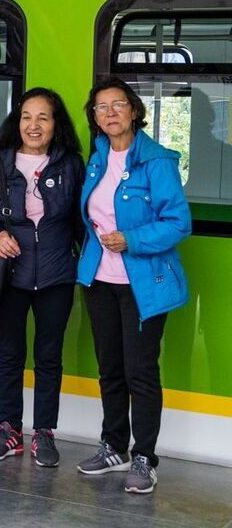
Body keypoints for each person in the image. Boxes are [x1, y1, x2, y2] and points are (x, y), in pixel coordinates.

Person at [74, 77, 190, 494]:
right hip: (99, 280)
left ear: (134, 110)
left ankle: (144, 457)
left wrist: (131, 239)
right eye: (101, 107)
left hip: (143, 284)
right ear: (95, 117)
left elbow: (179, 222)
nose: (110, 113)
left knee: (140, 372)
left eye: (118, 105)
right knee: (109, 369)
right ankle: (113, 447)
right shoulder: (98, 157)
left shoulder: (157, 161)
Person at [0, 88, 85, 467]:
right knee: (10, 355)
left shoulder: (71, 165)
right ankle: (9, 430)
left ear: (56, 124)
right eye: (27, 116)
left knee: (49, 357)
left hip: (56, 275)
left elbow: (83, 220)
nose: (34, 125)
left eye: (43, 117)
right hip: (9, 276)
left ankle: (44, 433)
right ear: (17, 122)